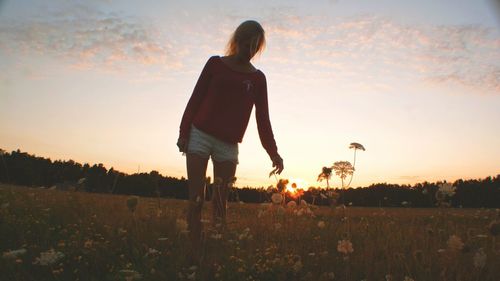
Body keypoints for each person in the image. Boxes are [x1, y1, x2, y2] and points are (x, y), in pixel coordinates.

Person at [177, 20, 284, 263]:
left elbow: (263, 119)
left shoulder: (258, 79)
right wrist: (184, 133)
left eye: (256, 46)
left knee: (220, 204)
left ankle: (214, 253)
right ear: (238, 40)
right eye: (248, 43)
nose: (251, 50)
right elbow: (195, 99)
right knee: (195, 200)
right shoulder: (215, 64)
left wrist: (273, 153)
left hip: (228, 144)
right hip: (200, 135)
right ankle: (193, 253)